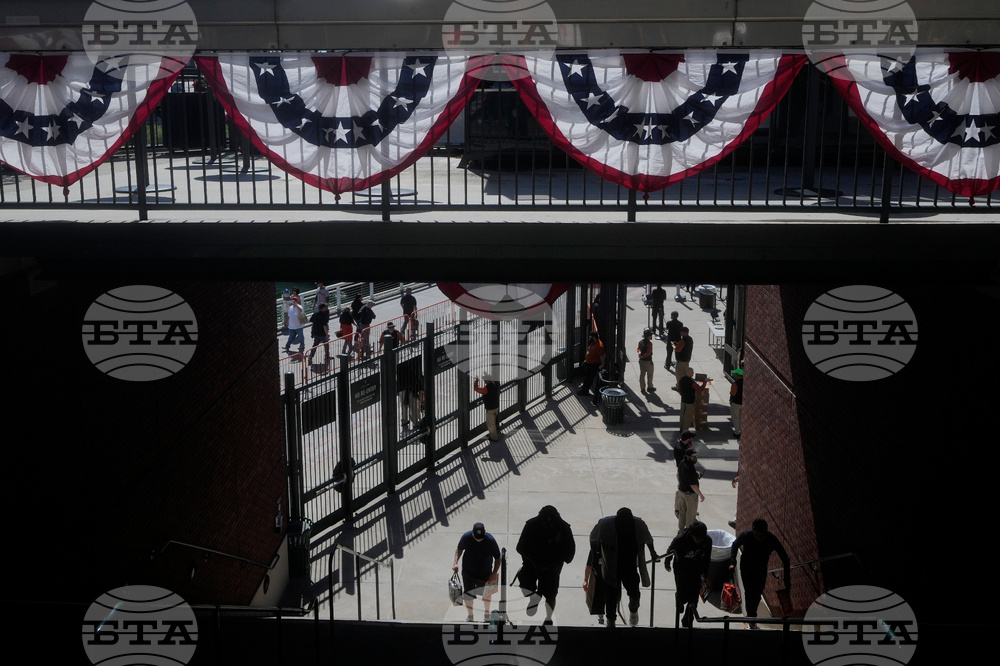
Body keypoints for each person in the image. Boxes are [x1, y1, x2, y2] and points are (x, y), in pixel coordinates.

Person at [585, 507, 658, 628]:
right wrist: (595, 557)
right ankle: (611, 621)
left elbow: (648, 539)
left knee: (635, 593)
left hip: (630, 565)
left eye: (627, 523)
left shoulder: (639, 525)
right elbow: (593, 538)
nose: (624, 526)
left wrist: (653, 553)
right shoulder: (605, 525)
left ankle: (633, 612)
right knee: (611, 594)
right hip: (611, 565)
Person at [515, 505, 575, 624]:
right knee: (525, 585)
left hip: (552, 568)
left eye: (551, 524)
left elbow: (570, 552)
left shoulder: (564, 528)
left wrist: (558, 563)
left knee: (551, 595)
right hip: (532, 564)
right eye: (544, 523)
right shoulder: (531, 525)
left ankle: (548, 618)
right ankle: (534, 597)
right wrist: (532, 561)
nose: (547, 526)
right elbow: (520, 547)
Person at [729, 518, 791, 626]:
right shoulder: (747, 535)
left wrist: (787, 579)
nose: (759, 538)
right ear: (753, 531)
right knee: (749, 593)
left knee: (757, 594)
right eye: (757, 535)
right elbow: (735, 545)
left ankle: (751, 616)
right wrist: (732, 562)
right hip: (746, 568)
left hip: (760, 570)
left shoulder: (771, 539)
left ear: (765, 532)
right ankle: (751, 618)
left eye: (762, 536)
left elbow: (785, 559)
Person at [663, 520, 712, 628]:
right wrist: (667, 563)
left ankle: (687, 620)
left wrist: (706, 574)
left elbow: (707, 558)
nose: (700, 541)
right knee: (683, 595)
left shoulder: (707, 540)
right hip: (681, 569)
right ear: (692, 535)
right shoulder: (681, 539)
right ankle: (679, 600)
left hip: (696, 570)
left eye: (702, 539)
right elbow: (670, 550)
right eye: (697, 539)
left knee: (694, 598)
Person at [452, 522, 502, 623]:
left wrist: (494, 572)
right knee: (468, 595)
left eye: (481, 538)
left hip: (485, 572)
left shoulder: (490, 540)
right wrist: (455, 563)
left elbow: (498, 558)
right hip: (468, 571)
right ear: (472, 533)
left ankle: (486, 614)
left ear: (485, 532)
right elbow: (459, 549)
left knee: (487, 595)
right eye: (476, 538)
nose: (479, 540)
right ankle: (470, 616)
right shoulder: (466, 537)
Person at [676, 446, 705, 532]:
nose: (695, 458)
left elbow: (679, 475)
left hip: (682, 492)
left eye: (696, 456)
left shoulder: (682, 463)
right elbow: (693, 485)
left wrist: (695, 474)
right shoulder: (690, 467)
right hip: (690, 495)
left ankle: (681, 531)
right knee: (691, 515)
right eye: (693, 457)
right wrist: (701, 495)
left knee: (682, 513)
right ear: (687, 456)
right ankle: (688, 533)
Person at [678, 367, 712, 432]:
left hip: (683, 400)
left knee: (682, 414)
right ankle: (685, 430)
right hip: (690, 401)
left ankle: (681, 428)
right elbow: (701, 389)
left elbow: (679, 387)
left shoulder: (681, 380)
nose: (693, 373)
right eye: (692, 372)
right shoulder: (691, 382)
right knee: (688, 416)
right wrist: (705, 381)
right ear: (689, 373)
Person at [397, 356, 424, 432]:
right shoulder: (412, 360)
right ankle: (409, 421)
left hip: (410, 385)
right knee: (408, 405)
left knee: (411, 404)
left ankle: (413, 421)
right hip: (406, 385)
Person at [473, 372, 501, 441]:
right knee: (494, 421)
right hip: (496, 406)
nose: (484, 380)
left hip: (490, 409)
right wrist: (487, 375)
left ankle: (494, 438)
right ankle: (494, 433)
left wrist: (476, 381)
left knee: (491, 424)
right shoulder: (495, 384)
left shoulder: (486, 389)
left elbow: (476, 389)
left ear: (487, 381)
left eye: (485, 379)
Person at [579, 331, 604, 402]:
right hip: (589, 364)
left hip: (594, 365)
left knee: (589, 378)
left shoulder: (599, 346)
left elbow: (602, 356)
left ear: (594, 337)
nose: (589, 338)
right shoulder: (594, 343)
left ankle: (585, 391)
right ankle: (584, 389)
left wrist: (602, 365)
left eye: (590, 337)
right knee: (587, 377)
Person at [637, 327, 655, 394]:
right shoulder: (649, 344)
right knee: (650, 375)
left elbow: (638, 349)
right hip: (648, 361)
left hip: (641, 361)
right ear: (648, 336)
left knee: (642, 374)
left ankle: (642, 388)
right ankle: (650, 387)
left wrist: (639, 353)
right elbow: (648, 353)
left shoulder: (640, 342)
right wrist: (643, 356)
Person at [730, 368, 744, 440]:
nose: (734, 375)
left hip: (736, 403)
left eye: (735, 374)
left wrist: (731, 401)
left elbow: (733, 393)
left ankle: (737, 433)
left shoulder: (735, 384)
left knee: (735, 418)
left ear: (738, 375)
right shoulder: (745, 382)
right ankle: (741, 430)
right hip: (743, 403)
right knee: (741, 417)